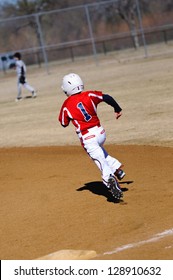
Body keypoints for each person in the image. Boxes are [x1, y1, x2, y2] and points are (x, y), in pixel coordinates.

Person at [58, 73, 125, 200]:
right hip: (100, 133)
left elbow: (63, 123)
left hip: (87, 137)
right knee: (100, 152)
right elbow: (107, 97)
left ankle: (109, 179)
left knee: (99, 160)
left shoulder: (66, 104)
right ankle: (116, 168)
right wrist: (117, 109)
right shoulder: (89, 94)